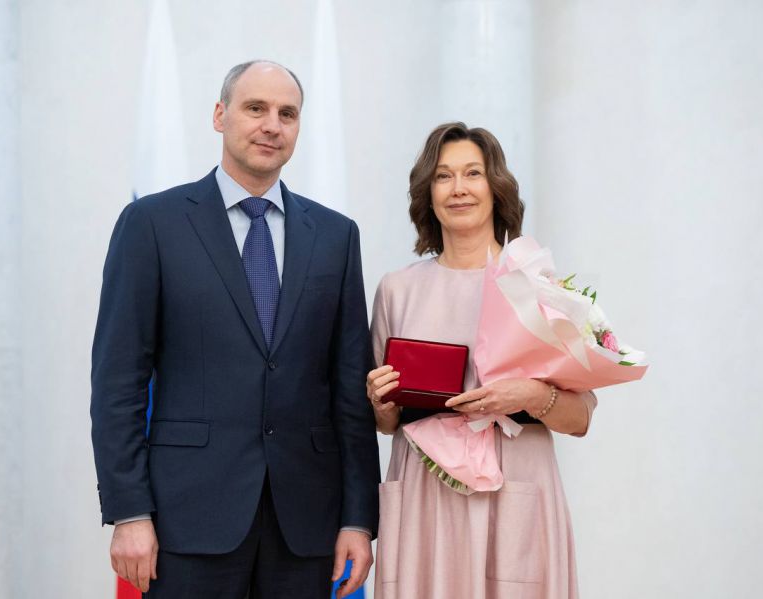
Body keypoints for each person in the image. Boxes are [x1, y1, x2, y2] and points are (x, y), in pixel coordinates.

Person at [90, 60, 379, 599]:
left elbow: (349, 392)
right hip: (185, 521)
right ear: (220, 116)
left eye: (287, 114)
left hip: (306, 525)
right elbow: (118, 382)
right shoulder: (152, 224)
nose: (272, 125)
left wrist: (358, 519)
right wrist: (129, 511)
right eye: (255, 108)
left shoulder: (336, 236)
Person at [366, 122, 597, 599]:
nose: (458, 188)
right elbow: (386, 423)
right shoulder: (397, 290)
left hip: (516, 486)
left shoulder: (537, 288)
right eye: (443, 176)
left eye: (472, 173)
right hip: (425, 497)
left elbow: (580, 419)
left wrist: (531, 394)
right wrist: (380, 403)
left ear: (496, 188)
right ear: (428, 194)